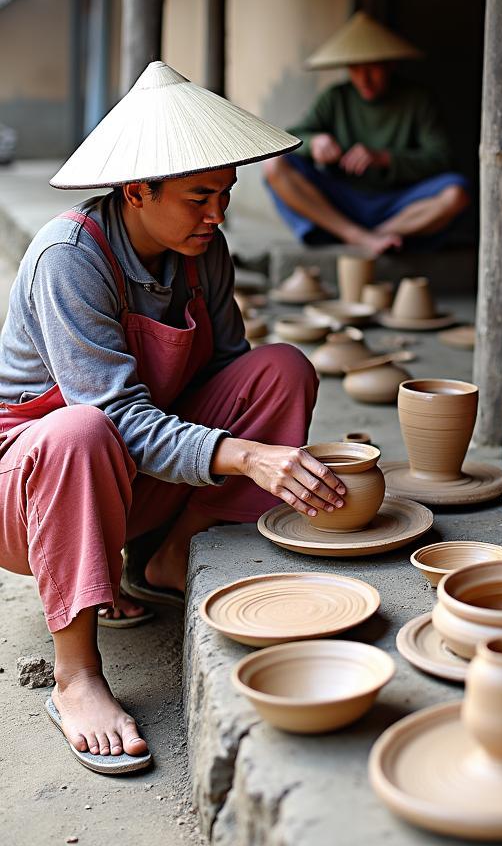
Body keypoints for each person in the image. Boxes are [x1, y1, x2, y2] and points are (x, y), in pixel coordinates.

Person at [0, 62, 351, 775]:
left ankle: (166, 559)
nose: (216, 215)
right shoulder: (69, 260)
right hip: (31, 496)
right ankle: (76, 676)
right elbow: (117, 419)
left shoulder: (203, 253)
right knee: (81, 429)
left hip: (130, 483)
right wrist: (251, 457)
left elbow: (232, 375)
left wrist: (267, 444)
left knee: (282, 368)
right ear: (137, 192)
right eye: (198, 198)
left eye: (224, 195)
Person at [262, 11, 470, 255]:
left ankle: (379, 235)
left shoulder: (417, 100)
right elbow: (292, 139)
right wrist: (315, 142)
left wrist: (385, 158)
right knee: (274, 166)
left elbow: (441, 157)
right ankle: (355, 235)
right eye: (355, 69)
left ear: (390, 64)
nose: (364, 80)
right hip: (342, 200)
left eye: (373, 69)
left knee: (457, 193)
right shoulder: (336, 97)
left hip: (400, 204)